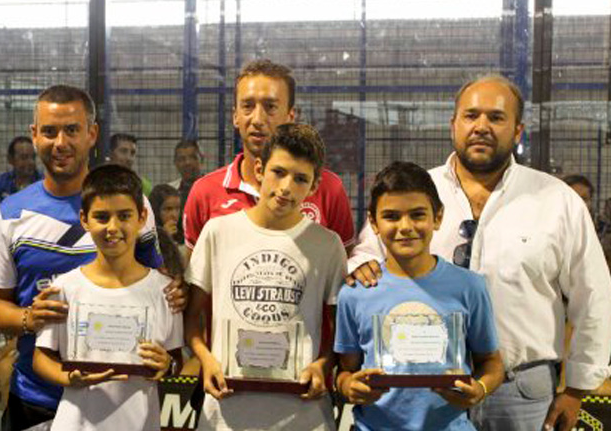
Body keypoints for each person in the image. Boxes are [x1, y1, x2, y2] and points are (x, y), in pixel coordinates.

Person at [347, 74, 611, 431]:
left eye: (496, 118)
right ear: (453, 124)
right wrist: (361, 265)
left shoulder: (556, 200)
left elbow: (593, 295)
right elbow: (367, 255)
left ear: (518, 131)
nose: (482, 126)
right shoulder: (417, 191)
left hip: (520, 393)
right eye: (471, 116)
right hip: (424, 390)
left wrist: (577, 388)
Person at [0, 85, 186, 431]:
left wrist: (176, 294)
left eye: (72, 130)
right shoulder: (10, 213)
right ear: (34, 135)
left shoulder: (132, 207)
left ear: (92, 134)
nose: (60, 142)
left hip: (120, 403)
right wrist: (30, 318)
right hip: (35, 397)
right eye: (49, 131)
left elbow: (156, 286)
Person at [185, 123, 346, 430]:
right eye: (279, 172)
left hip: (303, 413)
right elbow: (192, 319)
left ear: (315, 186)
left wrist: (322, 365)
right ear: (259, 169)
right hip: (225, 411)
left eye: (301, 179)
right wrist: (206, 359)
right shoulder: (218, 232)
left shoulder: (327, 245)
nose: (287, 187)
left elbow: (341, 331)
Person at [335, 161, 504, 430]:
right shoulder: (355, 293)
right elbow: (345, 370)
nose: (405, 226)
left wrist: (480, 388)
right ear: (373, 222)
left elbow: (491, 362)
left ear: (437, 217)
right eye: (391, 216)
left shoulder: (470, 286)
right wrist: (349, 386)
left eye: (417, 215)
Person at [33, 164, 183, 431]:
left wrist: (167, 365)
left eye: (124, 216)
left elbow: (175, 362)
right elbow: (41, 359)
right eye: (102, 217)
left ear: (141, 217)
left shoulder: (166, 292)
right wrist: (67, 377)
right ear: (84, 219)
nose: (113, 227)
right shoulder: (65, 288)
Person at [183, 59, 355, 253]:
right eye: (247, 106)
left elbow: (345, 267)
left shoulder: (329, 189)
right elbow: (195, 276)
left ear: (292, 116)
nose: (257, 119)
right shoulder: (204, 193)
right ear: (235, 116)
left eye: (270, 107)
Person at [0, 136, 43, 205]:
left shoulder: (43, 182)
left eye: (33, 157)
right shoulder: (2, 183)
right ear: (10, 159)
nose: (31, 162)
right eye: (24, 157)